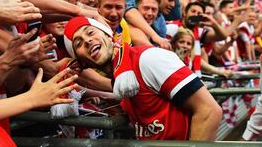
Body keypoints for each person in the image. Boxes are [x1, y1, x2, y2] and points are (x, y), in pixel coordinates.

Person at [63, 16, 222, 140]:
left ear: (108, 34)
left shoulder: (148, 59)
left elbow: (209, 111)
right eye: (78, 43)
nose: (88, 41)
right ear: (82, 62)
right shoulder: (121, 81)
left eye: (90, 32)